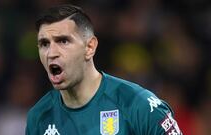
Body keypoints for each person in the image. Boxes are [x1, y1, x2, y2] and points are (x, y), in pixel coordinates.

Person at [26, 4, 182, 135]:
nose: (51, 53)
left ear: (89, 47)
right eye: (44, 44)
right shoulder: (39, 117)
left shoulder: (139, 106)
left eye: (63, 41)